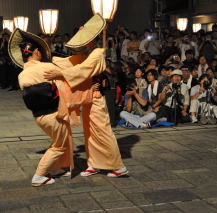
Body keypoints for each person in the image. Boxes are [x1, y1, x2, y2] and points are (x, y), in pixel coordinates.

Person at [44, 14, 128, 178]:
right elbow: (70, 61)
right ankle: (95, 163)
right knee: (89, 132)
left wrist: (60, 72)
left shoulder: (97, 53)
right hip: (88, 97)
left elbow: (81, 71)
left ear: (91, 41)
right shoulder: (86, 54)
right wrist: (51, 60)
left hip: (96, 97)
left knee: (102, 131)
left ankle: (118, 166)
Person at [8, 29, 76, 186]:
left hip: (38, 116)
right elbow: (69, 73)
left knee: (58, 141)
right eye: (39, 51)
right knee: (59, 145)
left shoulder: (22, 75)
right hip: (53, 113)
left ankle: (58, 167)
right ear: (37, 52)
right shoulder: (45, 67)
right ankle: (39, 176)